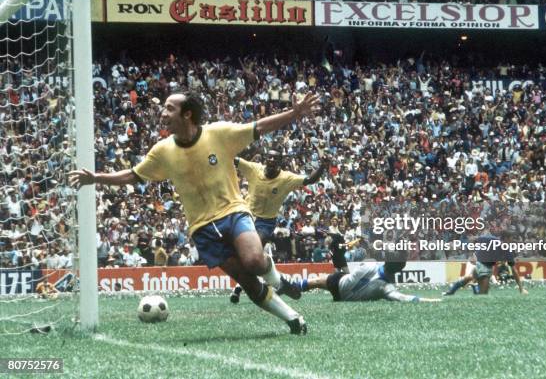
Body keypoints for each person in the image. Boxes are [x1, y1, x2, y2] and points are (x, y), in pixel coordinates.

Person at [69, 91, 319, 335]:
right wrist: (96, 178)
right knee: (248, 282)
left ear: (187, 114)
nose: (162, 112)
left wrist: (295, 113)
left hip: (233, 212)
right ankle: (293, 318)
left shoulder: (218, 134)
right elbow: (133, 175)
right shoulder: (162, 151)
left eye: (169, 108)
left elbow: (259, 127)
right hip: (202, 228)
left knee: (254, 261)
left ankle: (278, 281)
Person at [229, 150, 329, 304]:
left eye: (275, 158)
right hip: (246, 217)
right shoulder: (254, 169)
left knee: (254, 252)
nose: (271, 159)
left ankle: (244, 287)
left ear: (280, 162)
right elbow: (233, 159)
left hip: (265, 222)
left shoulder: (286, 178)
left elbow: (310, 179)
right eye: (269, 157)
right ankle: (269, 283)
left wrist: (322, 166)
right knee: (247, 258)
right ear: (265, 159)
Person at [296, 261, 441, 303]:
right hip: (344, 298)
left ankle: (293, 286)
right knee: (324, 280)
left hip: (339, 284)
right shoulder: (387, 288)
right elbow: (404, 298)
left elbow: (354, 274)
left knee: (317, 281)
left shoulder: (369, 265)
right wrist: (430, 300)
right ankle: (295, 286)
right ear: (398, 272)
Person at [443, 234, 528, 296]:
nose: (511, 242)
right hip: (480, 263)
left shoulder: (507, 251)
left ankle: (453, 291)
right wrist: (472, 254)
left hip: (487, 268)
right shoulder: (490, 239)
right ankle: (453, 291)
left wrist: (521, 288)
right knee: (479, 290)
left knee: (481, 292)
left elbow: (514, 270)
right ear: (505, 238)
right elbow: (472, 239)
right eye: (510, 240)